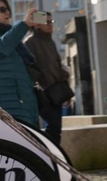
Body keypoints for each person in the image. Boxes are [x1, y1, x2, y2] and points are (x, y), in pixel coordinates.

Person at [23, 12, 71, 144]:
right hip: (43, 92)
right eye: (47, 22)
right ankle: (50, 154)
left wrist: (63, 79)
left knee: (56, 127)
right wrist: (41, 78)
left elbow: (56, 64)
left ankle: (54, 155)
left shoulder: (50, 41)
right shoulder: (30, 42)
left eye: (51, 22)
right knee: (53, 125)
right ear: (37, 24)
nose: (50, 25)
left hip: (56, 90)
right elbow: (28, 67)